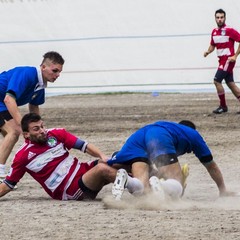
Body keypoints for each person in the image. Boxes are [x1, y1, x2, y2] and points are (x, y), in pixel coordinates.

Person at [0, 113, 118, 201]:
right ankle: (135, 189)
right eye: (36, 129)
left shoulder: (56, 133)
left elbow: (84, 146)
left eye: (42, 126)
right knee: (102, 169)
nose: (42, 131)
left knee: (118, 159)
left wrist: (103, 156)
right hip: (70, 189)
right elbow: (8, 185)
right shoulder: (22, 156)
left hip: (83, 172)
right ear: (26, 135)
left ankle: (134, 181)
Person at [108, 120, 234, 200]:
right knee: (177, 185)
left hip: (139, 136)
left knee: (142, 190)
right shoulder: (193, 134)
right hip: (160, 136)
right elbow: (211, 166)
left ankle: (127, 180)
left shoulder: (168, 125)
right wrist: (223, 189)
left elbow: (156, 167)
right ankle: (161, 185)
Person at [0, 51, 65, 178]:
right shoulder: (28, 74)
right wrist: (25, 127)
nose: (57, 75)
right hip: (3, 102)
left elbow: (34, 107)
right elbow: (9, 99)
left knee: (11, 133)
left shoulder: (40, 85)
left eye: (59, 72)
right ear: (43, 67)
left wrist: (39, 127)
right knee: (13, 132)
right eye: (55, 70)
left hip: (1, 104)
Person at [204, 9, 240, 114]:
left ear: (225, 18)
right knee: (230, 84)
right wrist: (208, 51)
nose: (219, 19)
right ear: (215, 18)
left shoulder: (229, 30)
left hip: (228, 60)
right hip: (221, 61)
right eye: (218, 17)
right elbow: (213, 45)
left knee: (216, 80)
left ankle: (223, 106)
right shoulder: (214, 32)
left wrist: (235, 55)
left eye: (221, 17)